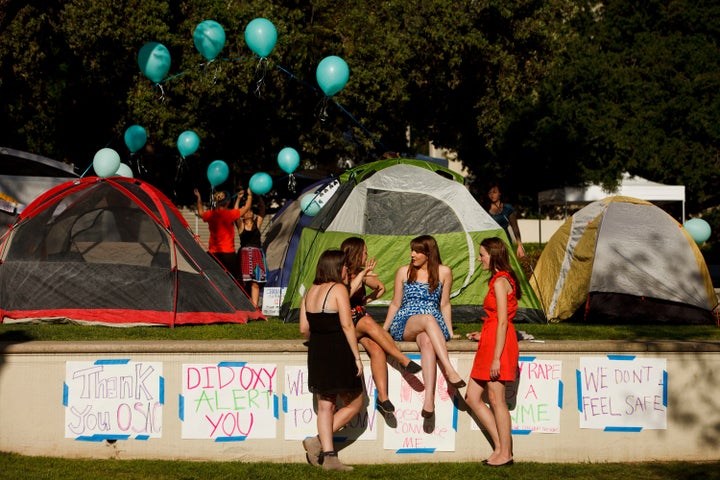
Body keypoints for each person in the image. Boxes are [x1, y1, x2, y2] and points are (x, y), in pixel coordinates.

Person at [383, 235, 466, 418]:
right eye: (412, 250)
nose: (412, 254)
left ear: (428, 253)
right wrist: (383, 330)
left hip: (431, 323)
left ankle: (429, 400)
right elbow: (396, 303)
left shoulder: (443, 272)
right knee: (428, 319)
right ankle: (449, 370)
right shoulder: (403, 271)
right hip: (406, 320)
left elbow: (444, 304)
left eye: (417, 251)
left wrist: (450, 332)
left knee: (427, 342)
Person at [341, 237, 422, 416]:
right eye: (364, 252)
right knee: (368, 321)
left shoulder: (360, 273)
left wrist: (365, 299)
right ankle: (402, 359)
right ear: (355, 253)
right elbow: (345, 295)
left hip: (358, 320)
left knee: (377, 349)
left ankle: (383, 399)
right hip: (344, 324)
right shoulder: (342, 272)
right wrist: (362, 276)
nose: (367, 255)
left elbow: (381, 288)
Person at [299, 249, 364, 471]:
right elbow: (347, 325)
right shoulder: (338, 289)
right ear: (336, 267)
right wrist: (357, 357)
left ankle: (327, 454)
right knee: (355, 403)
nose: (347, 269)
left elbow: (303, 329)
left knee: (325, 405)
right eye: (345, 266)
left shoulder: (310, 292)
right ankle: (319, 443)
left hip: (317, 351)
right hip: (338, 350)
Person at [465, 237, 520, 467]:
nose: (480, 259)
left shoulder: (500, 281)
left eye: (482, 255)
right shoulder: (499, 280)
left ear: (493, 255)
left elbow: (503, 323)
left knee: (497, 399)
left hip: (499, 346)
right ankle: (499, 446)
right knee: (472, 397)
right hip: (491, 340)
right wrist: (483, 334)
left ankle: (505, 453)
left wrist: (497, 357)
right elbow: (497, 320)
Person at [194, 187, 253, 278]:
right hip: (228, 253)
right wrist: (249, 195)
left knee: (213, 278)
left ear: (217, 202)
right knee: (235, 279)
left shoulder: (211, 214)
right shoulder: (230, 214)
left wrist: (199, 198)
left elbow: (201, 212)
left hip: (214, 253)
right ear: (228, 202)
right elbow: (247, 208)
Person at [237, 190, 267, 308]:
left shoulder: (256, 224)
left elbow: (262, 210)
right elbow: (236, 213)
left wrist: (258, 195)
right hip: (244, 256)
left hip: (256, 255)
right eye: (246, 211)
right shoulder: (241, 225)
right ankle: (244, 305)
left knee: (255, 282)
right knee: (243, 282)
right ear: (243, 215)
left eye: (250, 210)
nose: (249, 212)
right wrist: (239, 199)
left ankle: (255, 307)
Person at [484, 182, 525, 259]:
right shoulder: (484, 209)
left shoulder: (507, 208)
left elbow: (515, 228)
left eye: (494, 192)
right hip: (490, 245)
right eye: (489, 193)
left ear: (500, 193)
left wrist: (519, 245)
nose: (492, 195)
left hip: (505, 244)